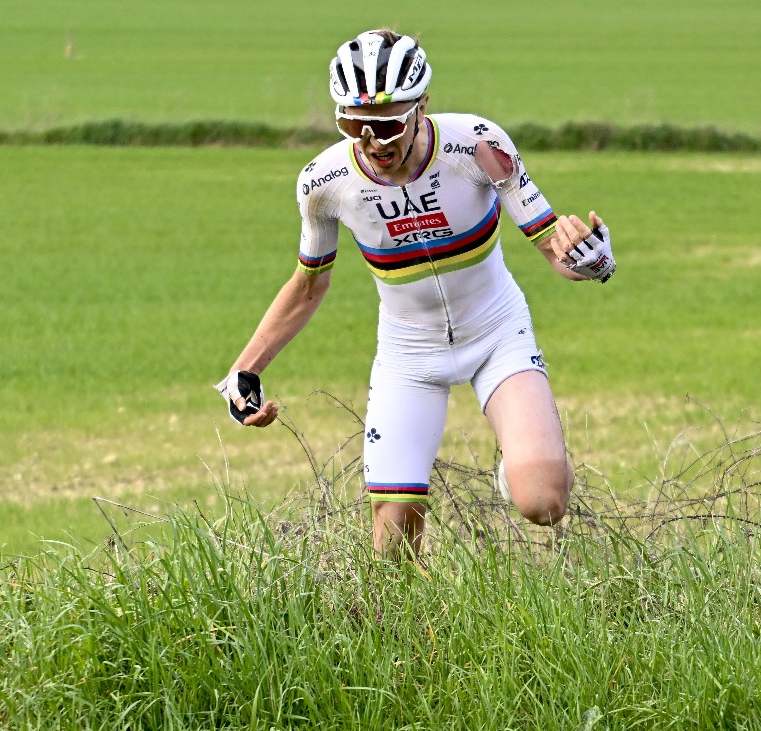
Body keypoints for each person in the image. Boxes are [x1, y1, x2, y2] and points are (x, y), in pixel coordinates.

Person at [216, 28, 617, 555]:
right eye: (352, 124)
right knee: (391, 554)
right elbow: (308, 285)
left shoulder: (476, 145)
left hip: (496, 331)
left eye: (386, 124)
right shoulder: (324, 183)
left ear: (422, 105)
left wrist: (592, 261)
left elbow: (550, 248)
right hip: (409, 351)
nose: (371, 141)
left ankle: (522, 462)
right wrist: (245, 370)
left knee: (542, 503)